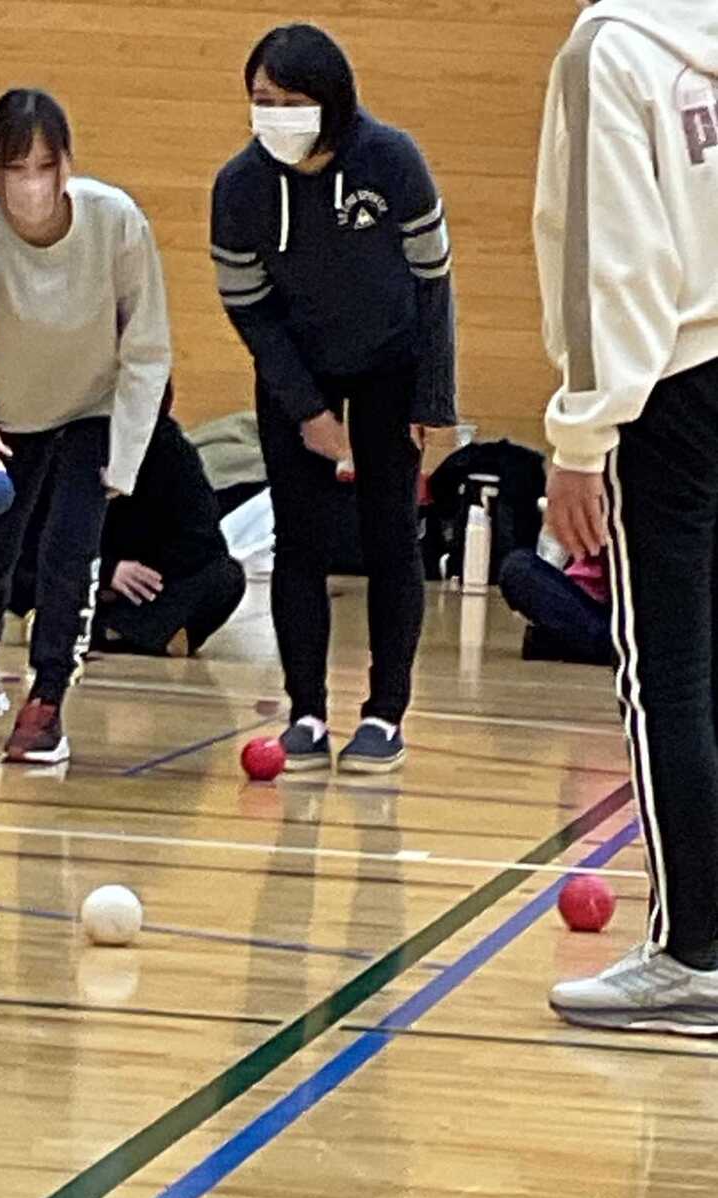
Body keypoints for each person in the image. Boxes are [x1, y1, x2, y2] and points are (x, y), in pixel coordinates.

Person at [536, 0, 718, 1033]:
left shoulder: (609, 47)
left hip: (670, 388)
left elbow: (611, 261)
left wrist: (580, 437)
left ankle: (693, 952)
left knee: (670, 678)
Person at [210, 23, 455, 772]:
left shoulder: (392, 159)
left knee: (390, 539)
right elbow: (249, 308)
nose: (275, 114)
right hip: (298, 371)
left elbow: (433, 284)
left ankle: (385, 714)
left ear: (332, 100)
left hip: (389, 366)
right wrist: (308, 411)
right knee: (300, 541)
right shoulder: (240, 187)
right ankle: (307, 714)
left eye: (292, 102)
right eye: (263, 100)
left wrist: (433, 401)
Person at [0, 88, 171, 763]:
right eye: (14, 169)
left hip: (93, 407)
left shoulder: (116, 222)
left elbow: (147, 346)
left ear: (68, 164)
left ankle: (48, 697)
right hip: (7, 416)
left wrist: (126, 457)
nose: (31, 185)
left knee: (68, 552)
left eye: (44, 167)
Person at [10, 412, 246, 658]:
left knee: (226, 577)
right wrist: (106, 571)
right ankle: (139, 633)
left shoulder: (170, 449)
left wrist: (146, 572)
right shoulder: (66, 442)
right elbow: (34, 534)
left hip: (144, 583)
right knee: (9, 560)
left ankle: (94, 630)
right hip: (75, 569)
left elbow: (202, 539)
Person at [498, 546, 611, 666]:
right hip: (585, 604)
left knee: (517, 567)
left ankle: (559, 642)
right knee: (518, 567)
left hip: (613, 612)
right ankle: (569, 643)